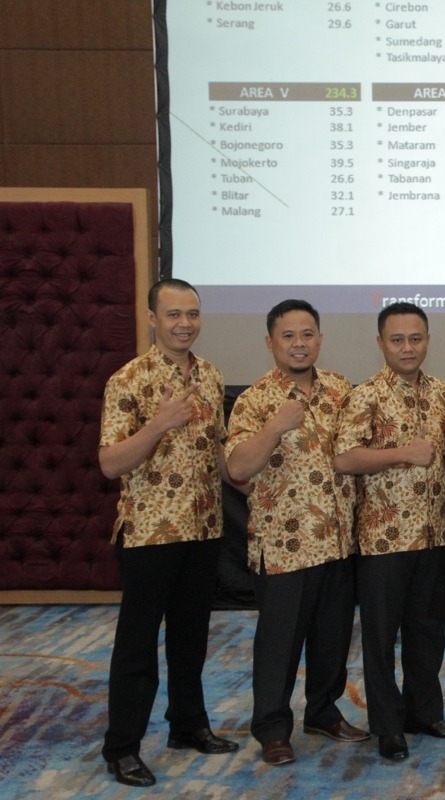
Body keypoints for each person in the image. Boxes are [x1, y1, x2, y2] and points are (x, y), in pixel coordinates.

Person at [98, 279, 238, 787]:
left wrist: (247, 474)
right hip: (149, 536)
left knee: (190, 637)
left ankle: (188, 725)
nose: (184, 324)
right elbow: (110, 463)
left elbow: (218, 453)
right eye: (174, 314)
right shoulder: (128, 380)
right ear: (152, 318)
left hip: (203, 528)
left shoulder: (211, 375)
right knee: (137, 647)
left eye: (192, 314)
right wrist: (158, 424)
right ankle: (122, 748)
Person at [226, 299, 367, 766]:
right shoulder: (254, 400)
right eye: (288, 336)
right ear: (270, 343)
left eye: (307, 334)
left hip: (337, 540)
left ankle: (323, 713)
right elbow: (238, 468)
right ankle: (272, 729)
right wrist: (275, 426)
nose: (299, 344)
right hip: (284, 547)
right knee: (279, 645)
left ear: (320, 340)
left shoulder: (340, 390)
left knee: (333, 639)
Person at [332, 302, 445, 762]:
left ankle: (424, 713)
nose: (407, 348)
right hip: (384, 538)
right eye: (397, 340)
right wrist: (402, 454)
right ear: (381, 343)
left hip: (432, 535)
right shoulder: (366, 395)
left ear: (427, 340)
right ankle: (388, 727)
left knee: (428, 631)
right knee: (380, 638)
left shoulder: (441, 392)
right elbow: (344, 458)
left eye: (415, 338)